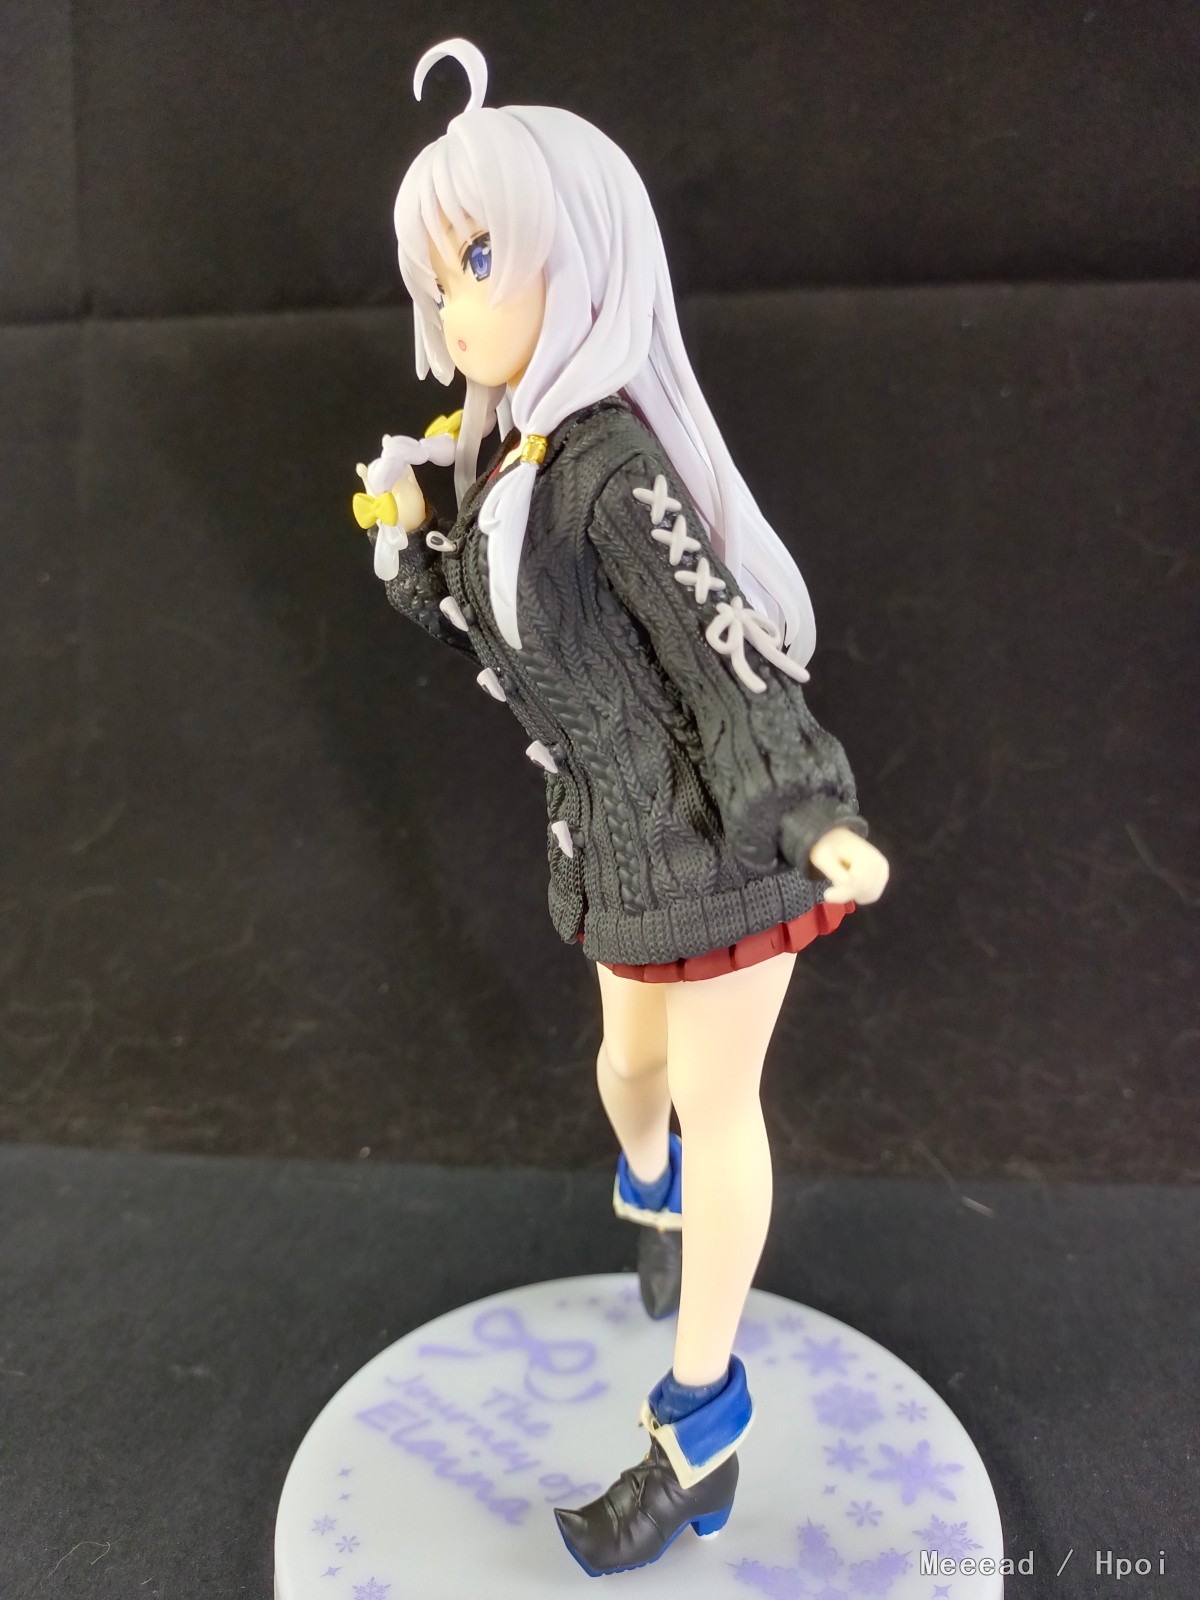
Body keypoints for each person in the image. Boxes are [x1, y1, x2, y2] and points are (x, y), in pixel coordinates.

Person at [350, 37, 890, 1577]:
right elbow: (498, 636)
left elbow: (724, 648)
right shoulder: (514, 468)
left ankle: (696, 1433)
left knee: (719, 1112)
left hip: (730, 849)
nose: (455, 305)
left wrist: (808, 811)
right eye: (438, 273)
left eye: (478, 259)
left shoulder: (609, 472)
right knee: (625, 1074)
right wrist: (422, 545)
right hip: (619, 856)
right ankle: (648, 1194)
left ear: (571, 255)